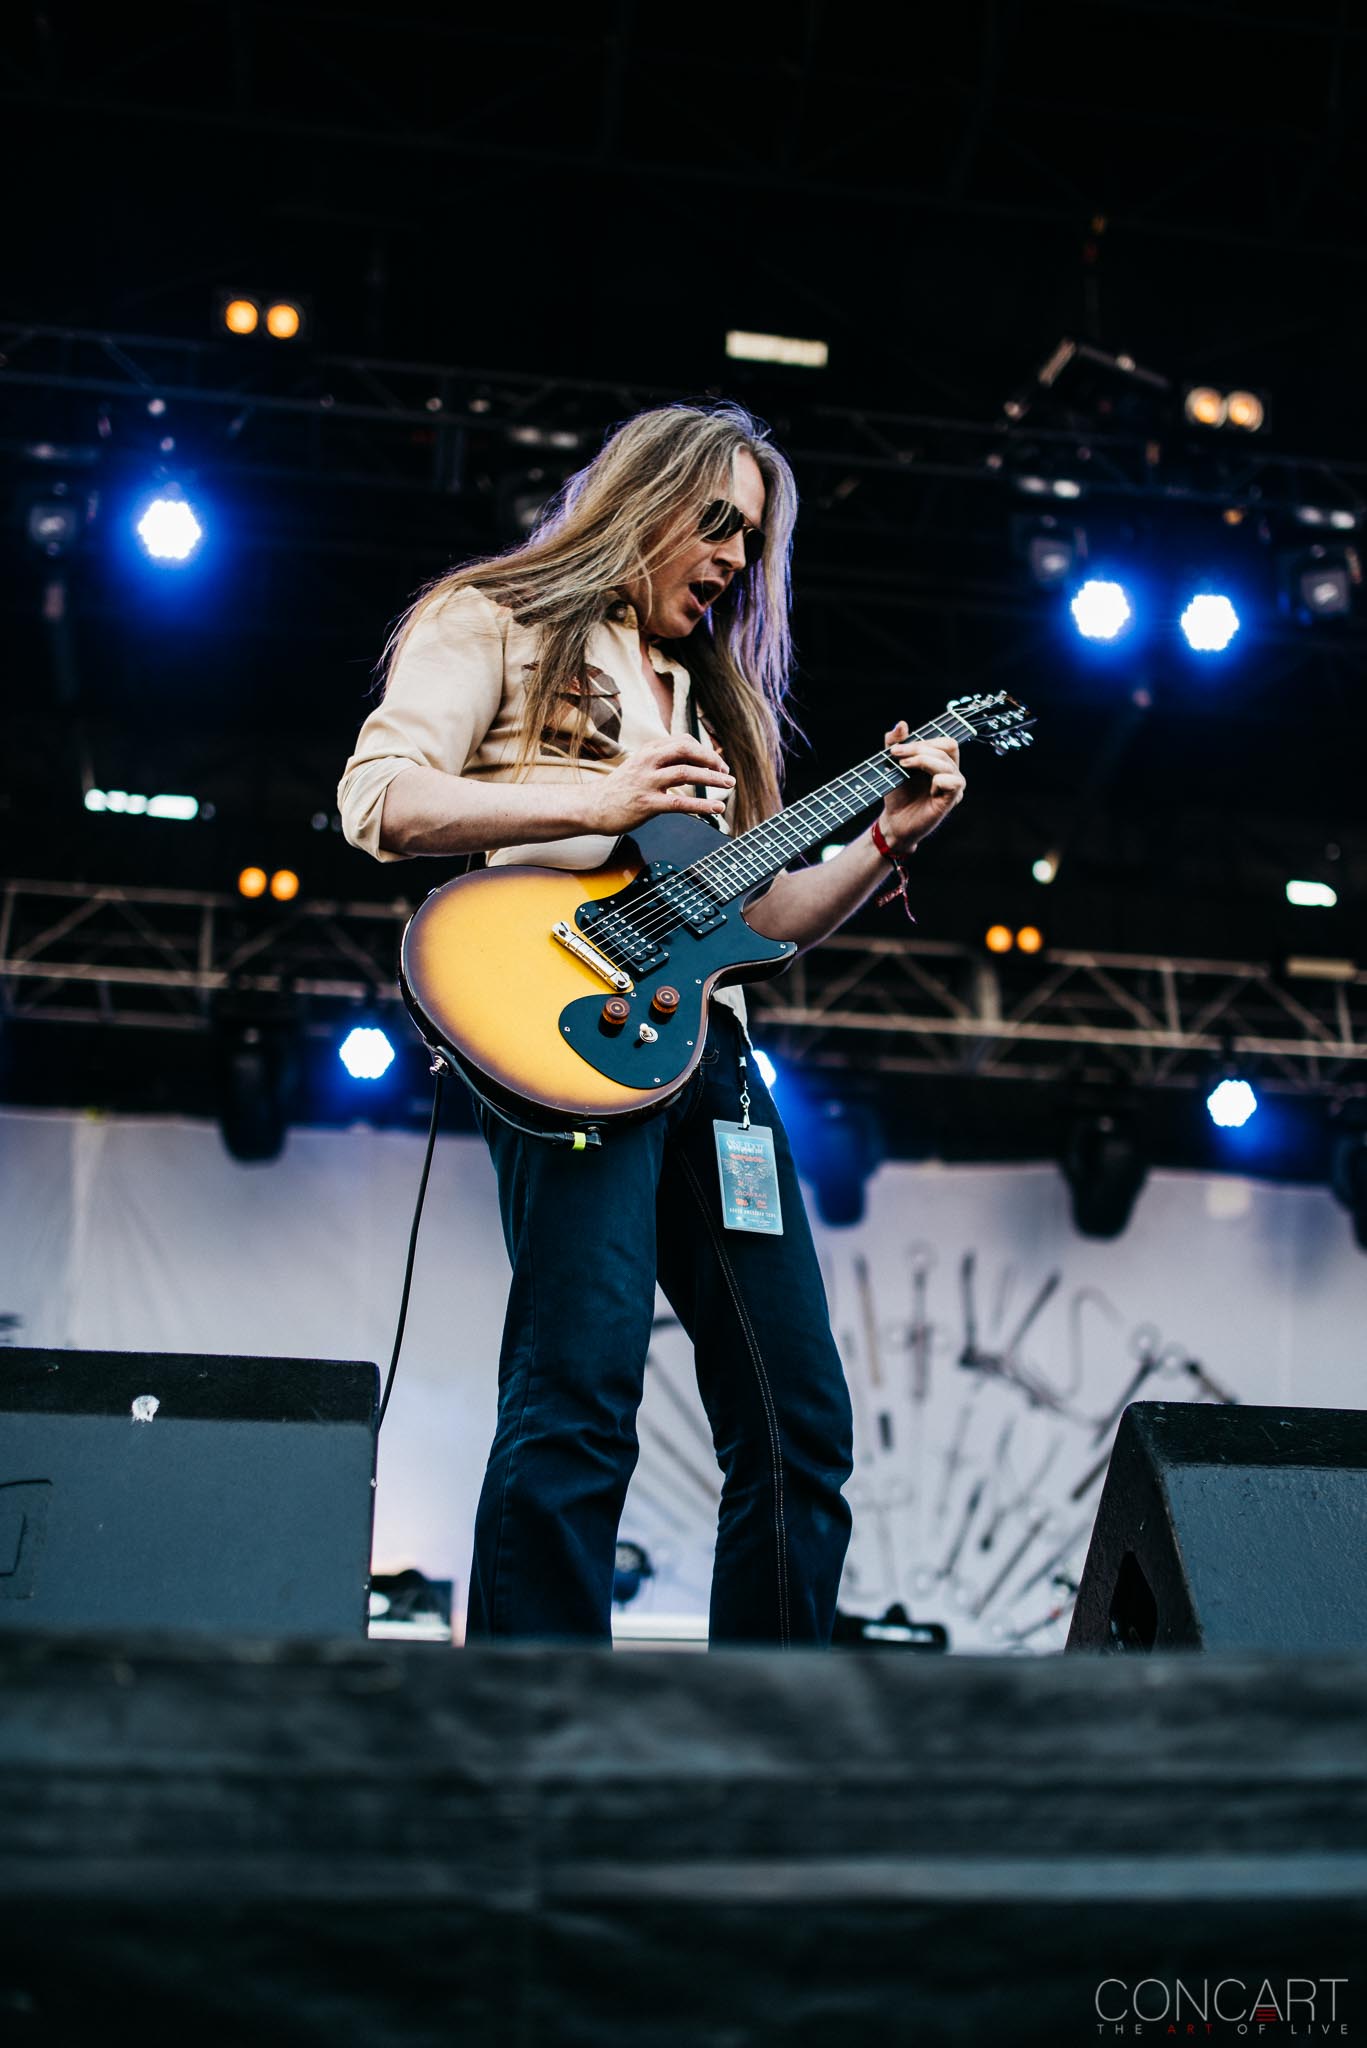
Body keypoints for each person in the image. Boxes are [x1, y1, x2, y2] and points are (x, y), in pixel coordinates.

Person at [338, 402, 965, 1646]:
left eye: (755, 540)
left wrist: (881, 839)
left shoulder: (713, 701)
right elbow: (379, 798)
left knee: (798, 1416)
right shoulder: (494, 616)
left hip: (711, 1053)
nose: (735, 559)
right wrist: (598, 793)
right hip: (565, 1024)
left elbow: (768, 915)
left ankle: (755, 1735)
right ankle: (538, 1731)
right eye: (718, 524)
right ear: (643, 496)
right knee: (579, 1387)